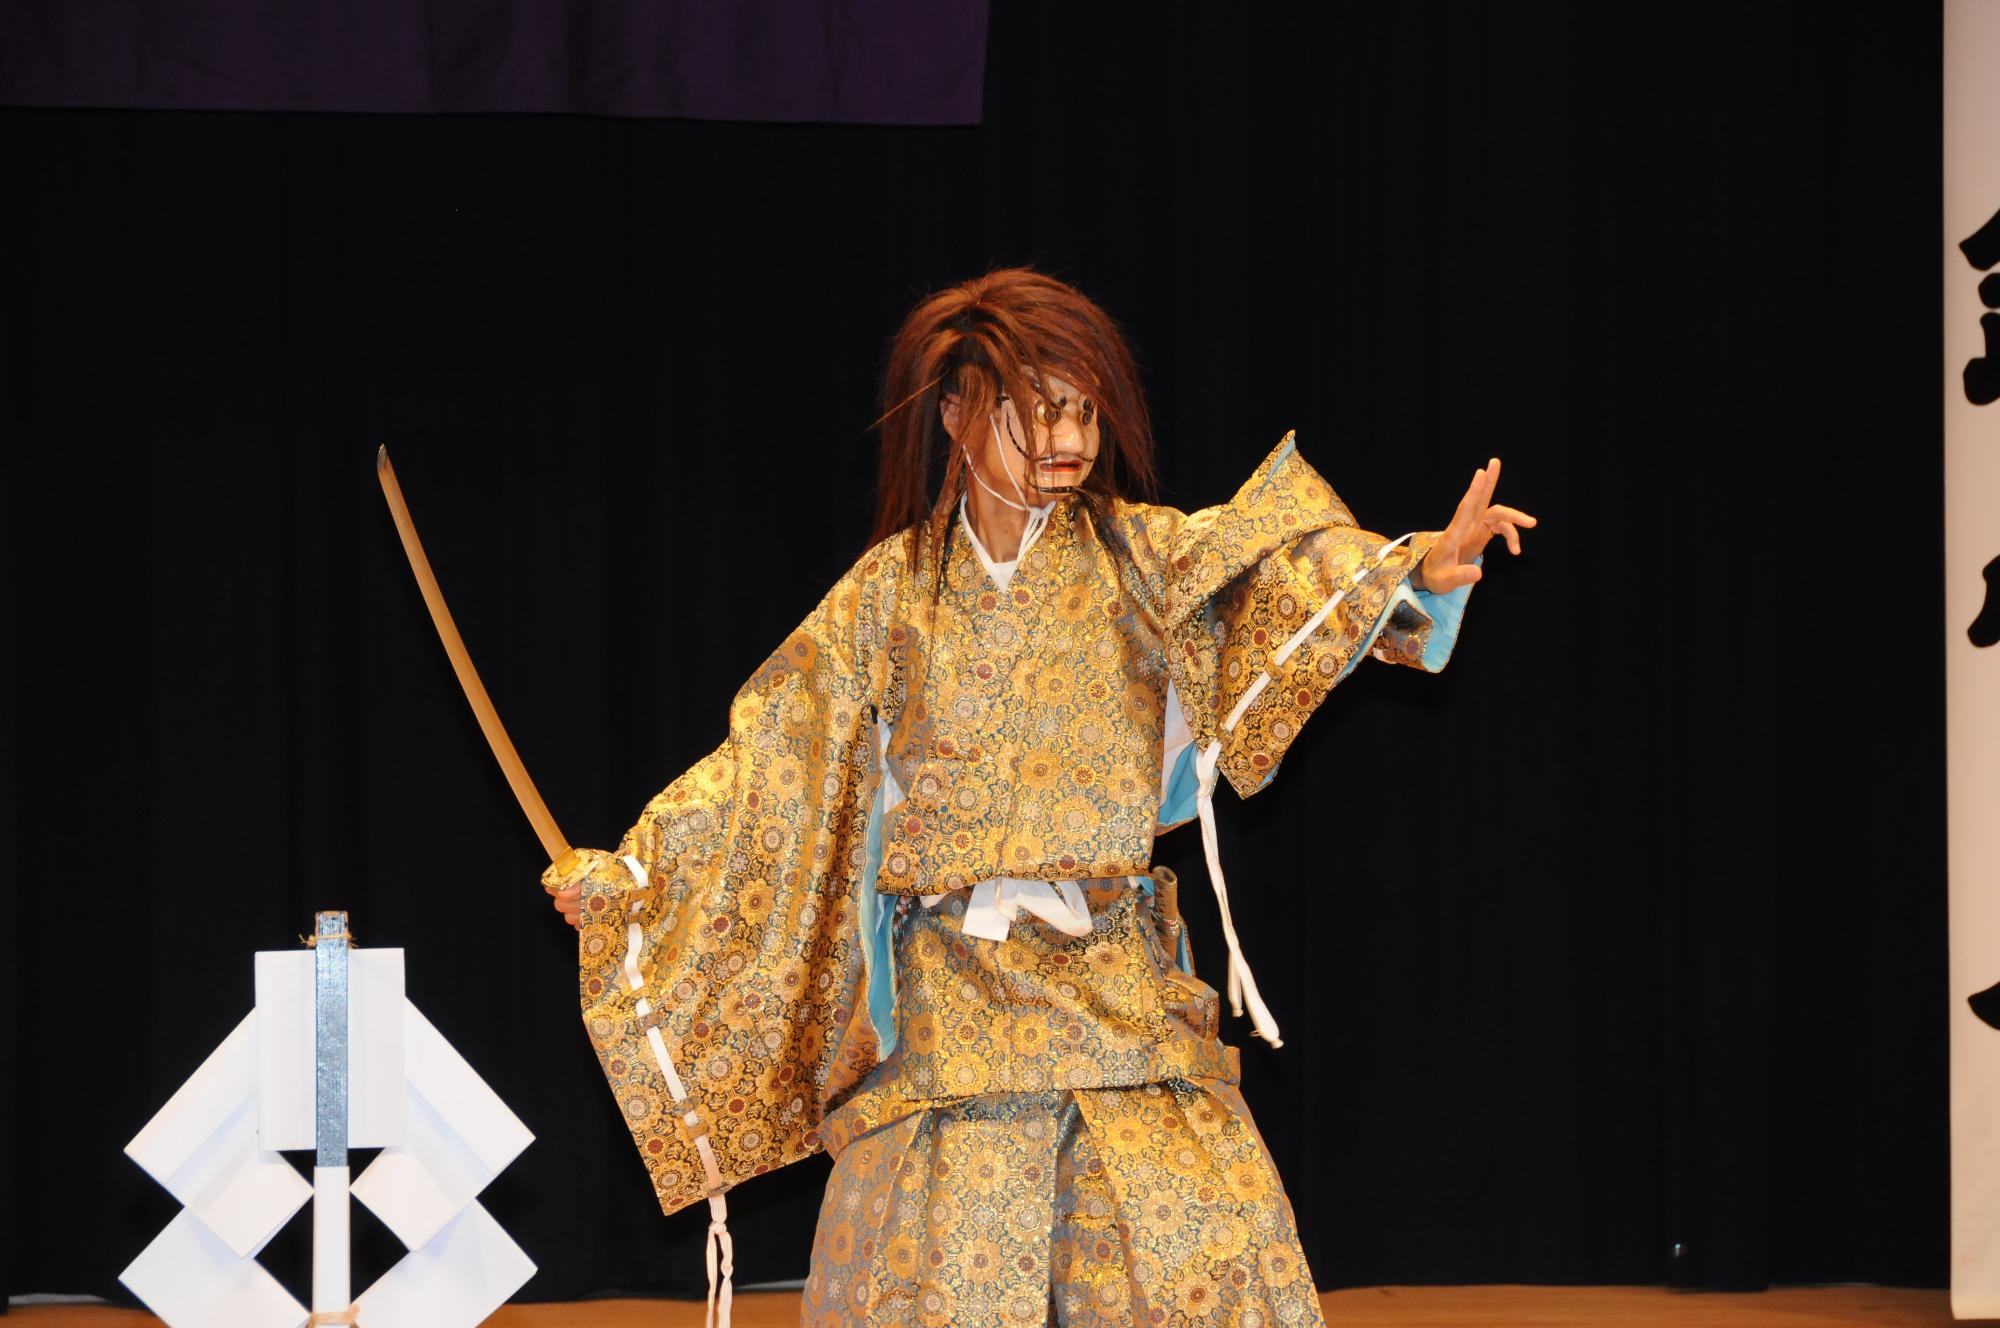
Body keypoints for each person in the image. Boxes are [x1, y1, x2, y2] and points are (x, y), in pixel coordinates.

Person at [543, 267, 1534, 1327]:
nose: (1064, 434)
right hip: (947, 1005)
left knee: (1203, 1265)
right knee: (938, 1288)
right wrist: (635, 872)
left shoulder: (1141, 558)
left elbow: (1271, 571)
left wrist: (1412, 569)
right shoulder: (888, 594)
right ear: (959, 413)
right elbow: (769, 764)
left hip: (1113, 981)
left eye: (1082, 406)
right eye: (1030, 408)